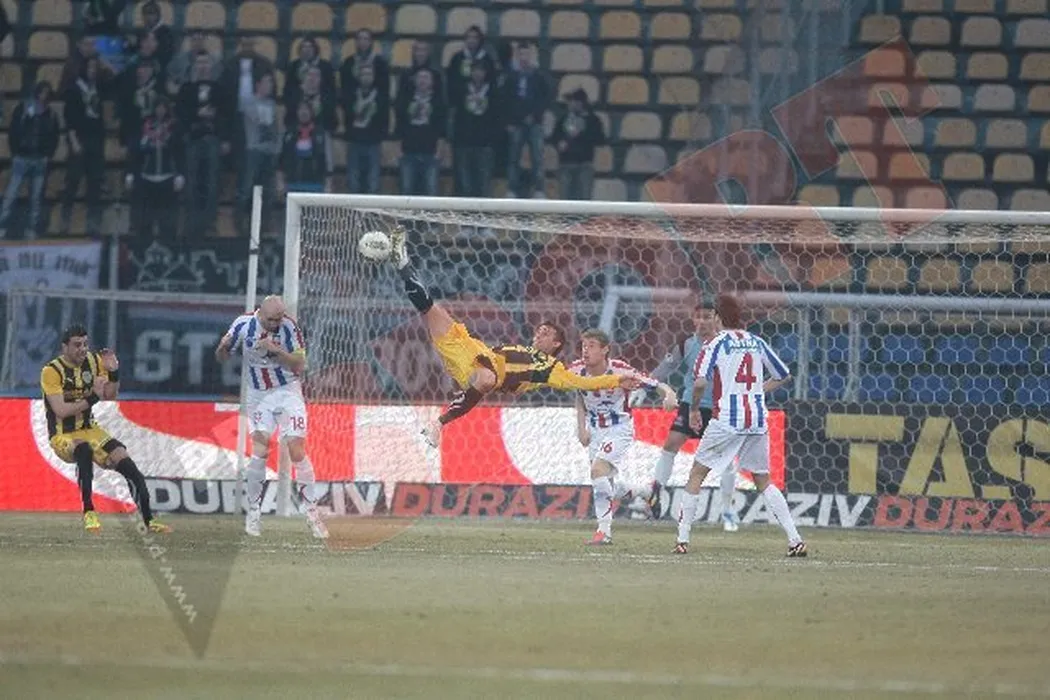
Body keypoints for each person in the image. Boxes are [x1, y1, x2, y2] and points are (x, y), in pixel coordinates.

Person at [384, 227, 643, 447]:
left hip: (481, 373)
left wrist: (618, 379)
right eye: (540, 329)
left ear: (556, 344)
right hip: (471, 348)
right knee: (430, 308)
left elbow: (584, 383)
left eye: (547, 332)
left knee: (487, 378)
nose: (540, 331)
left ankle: (439, 424)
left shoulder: (551, 369)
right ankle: (402, 263)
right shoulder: (522, 350)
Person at [673, 294, 805, 557]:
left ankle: (682, 539)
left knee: (697, 473)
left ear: (718, 317)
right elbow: (783, 375)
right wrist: (756, 392)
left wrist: (695, 410)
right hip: (757, 419)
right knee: (763, 480)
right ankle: (795, 540)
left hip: (727, 419)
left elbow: (700, 383)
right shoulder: (756, 341)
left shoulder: (714, 344)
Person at [214, 296, 328, 539]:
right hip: (259, 395)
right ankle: (254, 512)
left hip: (288, 391)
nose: (276, 323)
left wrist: (276, 350)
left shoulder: (289, 327)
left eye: (279, 319)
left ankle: (312, 512)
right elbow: (222, 358)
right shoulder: (243, 324)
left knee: (296, 449)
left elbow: (300, 364)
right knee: (260, 450)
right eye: (271, 320)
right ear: (260, 313)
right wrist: (222, 347)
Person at [41, 325, 170, 534]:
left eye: (85, 344)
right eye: (77, 345)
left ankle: (149, 520)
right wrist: (93, 396)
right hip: (63, 435)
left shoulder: (94, 362)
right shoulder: (51, 371)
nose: (83, 349)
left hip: (90, 429)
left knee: (125, 460)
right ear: (64, 347)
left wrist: (114, 372)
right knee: (83, 449)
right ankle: (89, 511)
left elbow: (110, 395)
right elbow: (61, 411)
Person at [572, 329, 676, 546]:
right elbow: (578, 395)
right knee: (604, 483)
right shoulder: (576, 369)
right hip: (595, 430)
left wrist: (669, 394)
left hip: (619, 429)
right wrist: (581, 427)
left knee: (597, 471)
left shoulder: (620, 370)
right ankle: (646, 492)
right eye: (583, 346)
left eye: (591, 346)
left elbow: (655, 384)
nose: (585, 350)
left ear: (605, 350)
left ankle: (603, 532)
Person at [643, 304, 740, 531]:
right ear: (693, 319)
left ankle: (728, 510)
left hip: (719, 407)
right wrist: (646, 386)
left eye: (707, 317)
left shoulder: (728, 344)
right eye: (698, 317)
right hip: (690, 403)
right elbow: (664, 369)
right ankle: (656, 495)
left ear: (716, 318)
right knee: (671, 444)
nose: (702, 321)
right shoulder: (686, 345)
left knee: (726, 459)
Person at [0, 82, 61, 239]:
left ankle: (31, 229)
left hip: (40, 158)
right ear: (37, 93)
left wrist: (48, 155)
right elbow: (13, 130)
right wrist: (15, 152)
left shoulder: (51, 115)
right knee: (11, 194)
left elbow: (54, 137)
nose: (44, 96)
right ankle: (2, 226)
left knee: (36, 198)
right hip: (22, 157)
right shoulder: (22, 109)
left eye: (47, 93)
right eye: (42, 92)